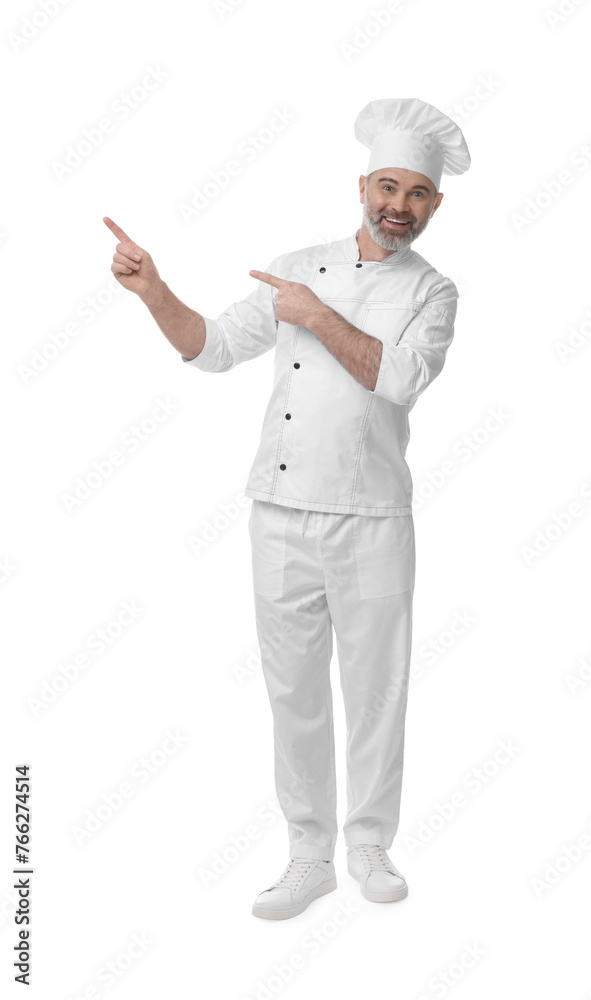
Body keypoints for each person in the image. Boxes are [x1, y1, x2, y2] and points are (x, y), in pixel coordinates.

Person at [103, 96, 471, 921]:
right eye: (387, 186)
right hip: (277, 512)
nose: (397, 206)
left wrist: (315, 316)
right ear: (362, 185)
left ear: (434, 204)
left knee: (377, 690)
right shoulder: (296, 264)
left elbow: (401, 378)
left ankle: (369, 843)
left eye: (415, 193)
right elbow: (210, 348)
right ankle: (308, 855)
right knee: (292, 691)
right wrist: (153, 290)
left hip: (373, 517)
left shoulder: (433, 293)